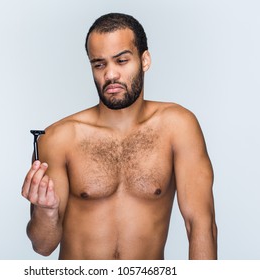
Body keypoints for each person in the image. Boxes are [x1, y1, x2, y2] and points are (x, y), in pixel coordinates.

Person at [21, 13, 217, 260]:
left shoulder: (177, 127)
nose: (110, 75)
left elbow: (201, 225)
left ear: (145, 60)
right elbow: (43, 245)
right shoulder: (58, 138)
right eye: (99, 64)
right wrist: (46, 212)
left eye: (121, 61)